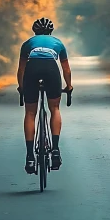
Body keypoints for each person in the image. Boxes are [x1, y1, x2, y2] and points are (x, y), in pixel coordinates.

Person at [17, 17, 73, 174]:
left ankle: (29, 156)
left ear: (34, 31)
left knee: (30, 112)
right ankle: (55, 150)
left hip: (31, 70)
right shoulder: (58, 43)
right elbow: (66, 69)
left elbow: (21, 70)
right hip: (51, 70)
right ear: (51, 31)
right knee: (54, 108)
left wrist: (22, 87)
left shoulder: (28, 43)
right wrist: (69, 86)